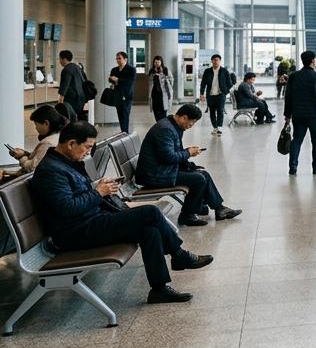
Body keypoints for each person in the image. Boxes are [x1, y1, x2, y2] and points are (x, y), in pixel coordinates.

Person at [33, 121, 213, 303]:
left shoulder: (67, 163)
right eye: (87, 147)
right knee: (150, 212)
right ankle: (179, 254)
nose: (88, 152)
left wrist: (99, 188)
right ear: (71, 143)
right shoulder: (51, 171)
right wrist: (98, 192)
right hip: (76, 232)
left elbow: (75, 195)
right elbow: (68, 208)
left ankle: (159, 289)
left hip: (91, 221)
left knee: (149, 231)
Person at [136, 105, 243, 227]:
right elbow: (169, 157)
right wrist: (188, 153)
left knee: (203, 174)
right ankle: (187, 215)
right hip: (154, 175)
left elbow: (172, 153)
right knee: (198, 179)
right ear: (184, 118)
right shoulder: (165, 129)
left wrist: (188, 159)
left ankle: (219, 209)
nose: (191, 125)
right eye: (192, 122)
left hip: (161, 169)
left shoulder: (173, 126)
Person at [284, 51, 316, 175]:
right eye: (315, 60)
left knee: (297, 140)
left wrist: (287, 115)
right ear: (312, 61)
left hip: (298, 114)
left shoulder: (294, 76)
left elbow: (288, 96)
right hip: (315, 114)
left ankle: (293, 167)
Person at [8, 105, 68, 174]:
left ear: (46, 123)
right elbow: (39, 158)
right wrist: (25, 154)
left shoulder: (48, 143)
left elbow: (32, 168)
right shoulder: (59, 136)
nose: (36, 128)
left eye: (36, 124)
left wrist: (21, 157)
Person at [198, 54, 233, 135]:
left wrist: (225, 92)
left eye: (217, 60)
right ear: (212, 61)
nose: (215, 61)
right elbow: (203, 83)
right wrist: (201, 94)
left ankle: (219, 127)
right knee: (212, 112)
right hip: (210, 95)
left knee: (220, 111)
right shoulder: (207, 71)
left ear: (220, 61)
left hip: (220, 95)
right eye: (214, 60)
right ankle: (215, 127)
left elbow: (230, 84)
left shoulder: (224, 71)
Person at [57, 50, 90, 122]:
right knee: (79, 114)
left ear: (64, 59)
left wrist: (61, 97)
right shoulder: (78, 67)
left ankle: (73, 129)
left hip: (71, 98)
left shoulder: (66, 69)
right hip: (81, 96)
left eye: (60, 59)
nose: (59, 61)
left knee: (70, 115)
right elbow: (85, 80)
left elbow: (65, 83)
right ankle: (81, 128)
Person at [108, 51, 136, 134]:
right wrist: (114, 80)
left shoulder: (131, 69)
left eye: (119, 58)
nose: (118, 60)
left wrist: (117, 80)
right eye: (117, 59)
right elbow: (110, 79)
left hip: (126, 96)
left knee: (125, 114)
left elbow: (130, 82)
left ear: (125, 59)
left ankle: (125, 132)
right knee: (120, 115)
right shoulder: (114, 69)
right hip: (117, 95)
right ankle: (123, 131)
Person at [149, 55, 174, 121]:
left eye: (158, 62)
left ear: (161, 62)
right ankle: (159, 124)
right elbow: (150, 83)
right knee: (156, 112)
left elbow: (171, 80)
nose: (156, 64)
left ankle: (162, 125)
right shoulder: (152, 71)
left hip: (164, 94)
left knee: (163, 111)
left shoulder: (166, 70)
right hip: (154, 94)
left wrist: (168, 84)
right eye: (155, 62)